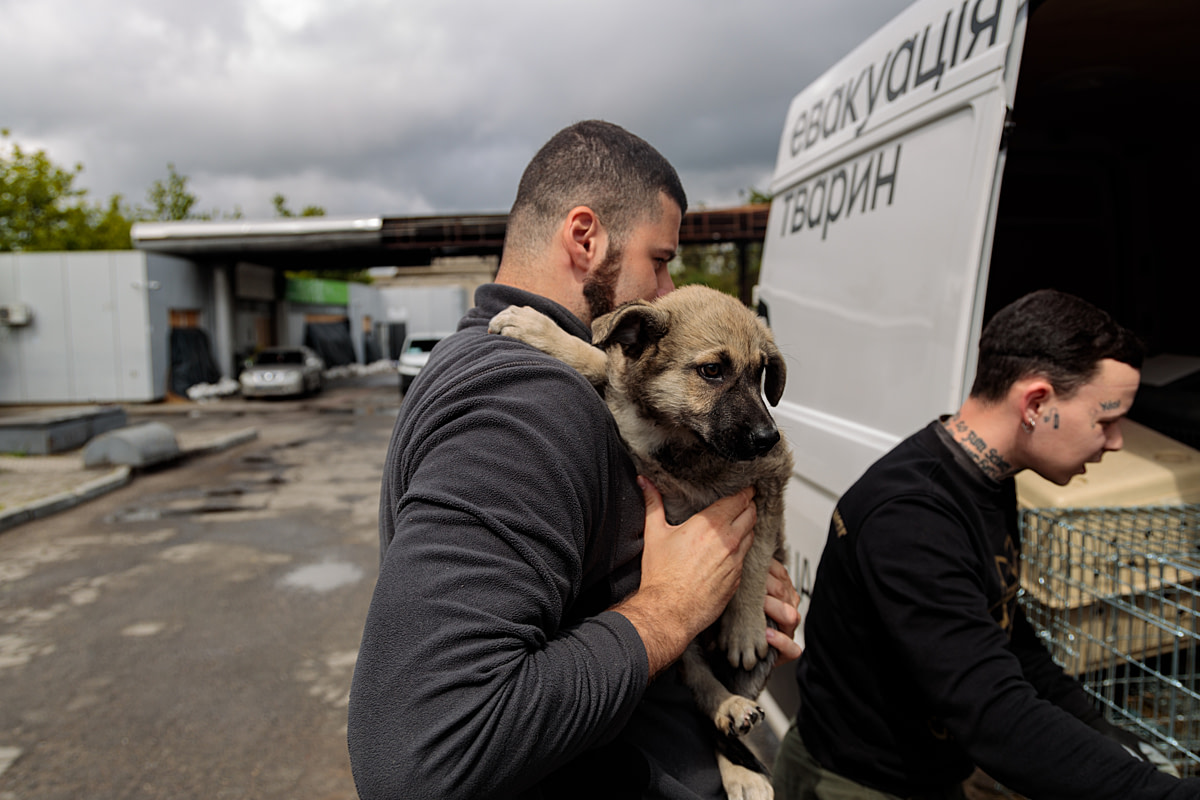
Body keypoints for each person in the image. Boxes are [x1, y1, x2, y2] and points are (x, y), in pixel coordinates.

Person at [348, 120, 802, 800]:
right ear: (586, 238)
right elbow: (417, 758)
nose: (671, 288)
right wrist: (669, 610)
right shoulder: (528, 404)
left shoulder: (472, 355)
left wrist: (729, 579)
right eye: (660, 258)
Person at [773, 289, 1200, 800]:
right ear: (1037, 403)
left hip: (931, 773)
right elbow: (996, 714)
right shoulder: (911, 517)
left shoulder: (987, 478)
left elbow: (1008, 635)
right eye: (1105, 420)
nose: (1116, 441)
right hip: (858, 784)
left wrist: (1104, 734)